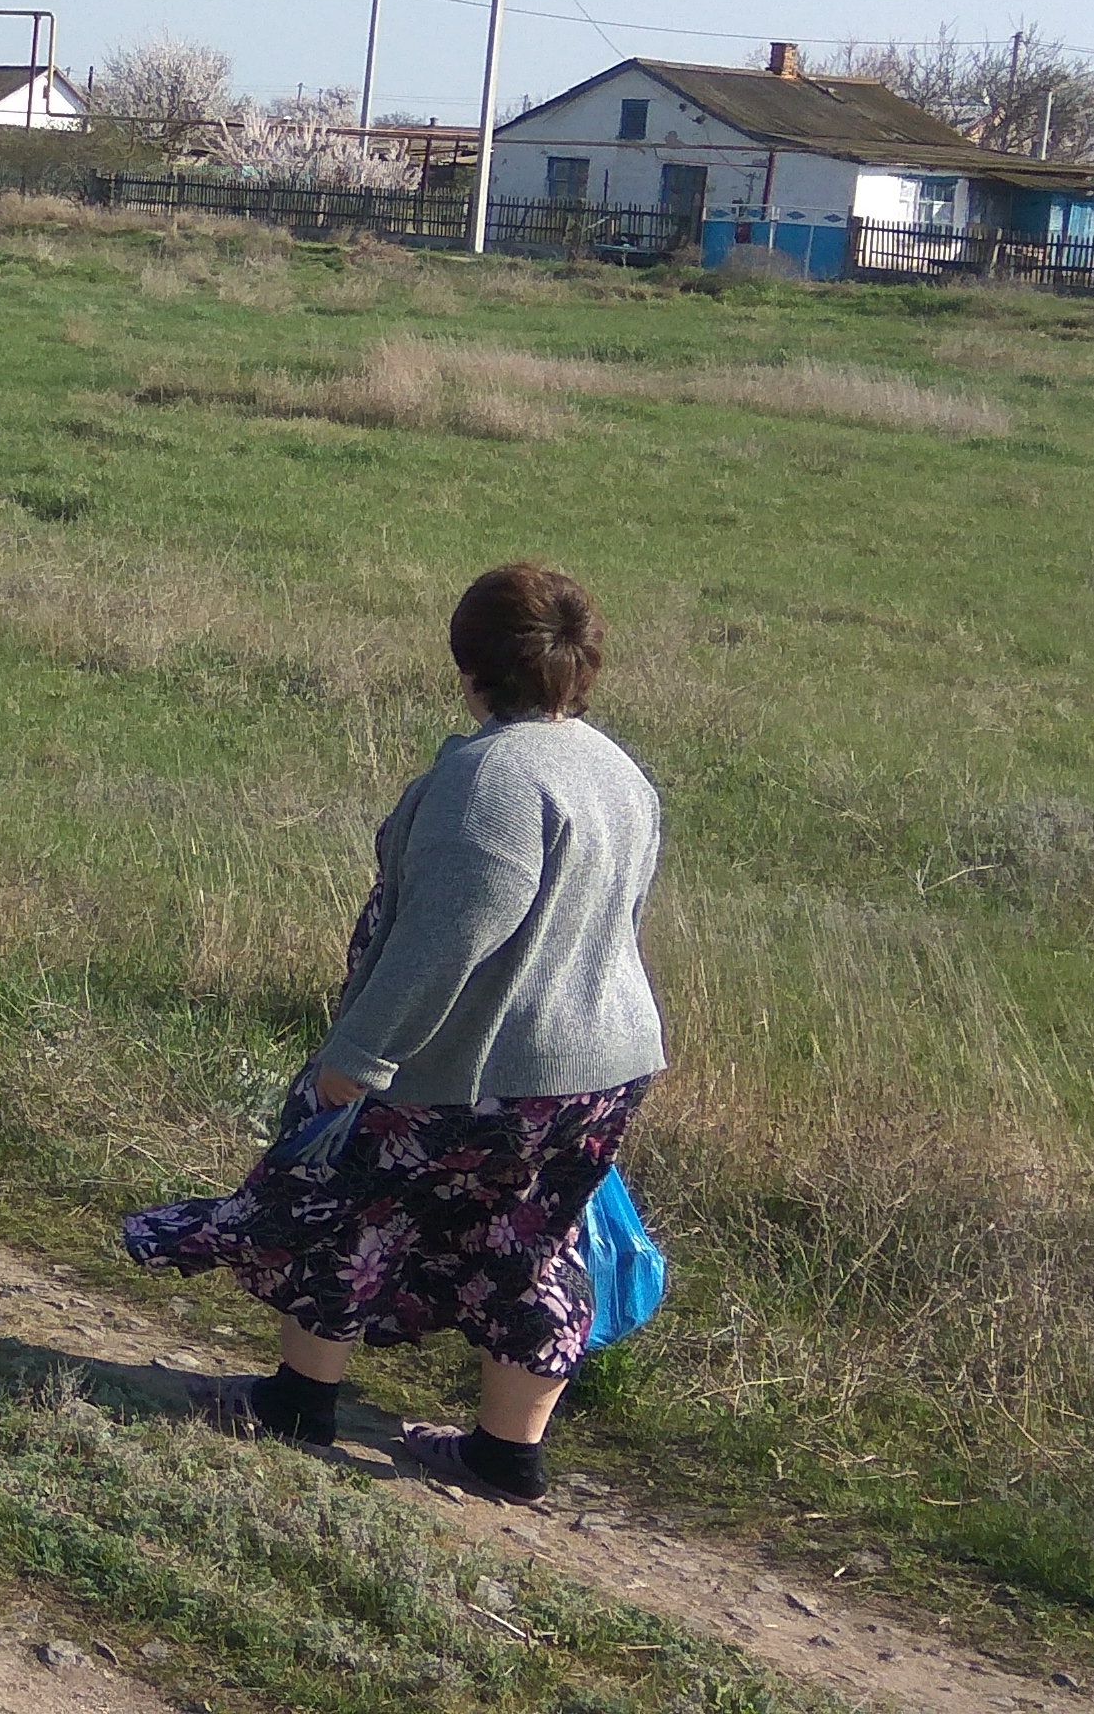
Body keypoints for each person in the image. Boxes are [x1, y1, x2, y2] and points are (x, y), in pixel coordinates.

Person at [121, 560, 666, 1506]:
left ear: (470, 668)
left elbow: (445, 940)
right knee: (527, 1238)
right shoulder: (615, 769)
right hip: (603, 1064)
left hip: (476, 1065)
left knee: (340, 1198)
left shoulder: (490, 780)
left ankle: (298, 1402)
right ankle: (506, 1455)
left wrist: (357, 1059)